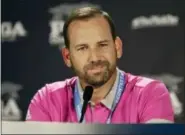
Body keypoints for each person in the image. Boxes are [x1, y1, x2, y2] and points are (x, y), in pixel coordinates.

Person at [26, 7, 174, 123]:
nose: (95, 57)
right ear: (67, 56)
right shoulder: (46, 100)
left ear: (117, 47)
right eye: (82, 48)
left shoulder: (150, 94)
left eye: (102, 45)